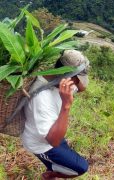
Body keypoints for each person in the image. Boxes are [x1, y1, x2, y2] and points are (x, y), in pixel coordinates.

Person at [21, 50, 90, 179]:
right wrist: (66, 105)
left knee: (64, 154)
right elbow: (54, 141)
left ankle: (53, 167)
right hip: (41, 144)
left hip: (53, 131)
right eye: (78, 79)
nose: (78, 85)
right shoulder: (42, 98)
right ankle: (51, 174)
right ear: (68, 76)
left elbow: (81, 88)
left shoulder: (58, 80)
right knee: (81, 168)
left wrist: (77, 80)